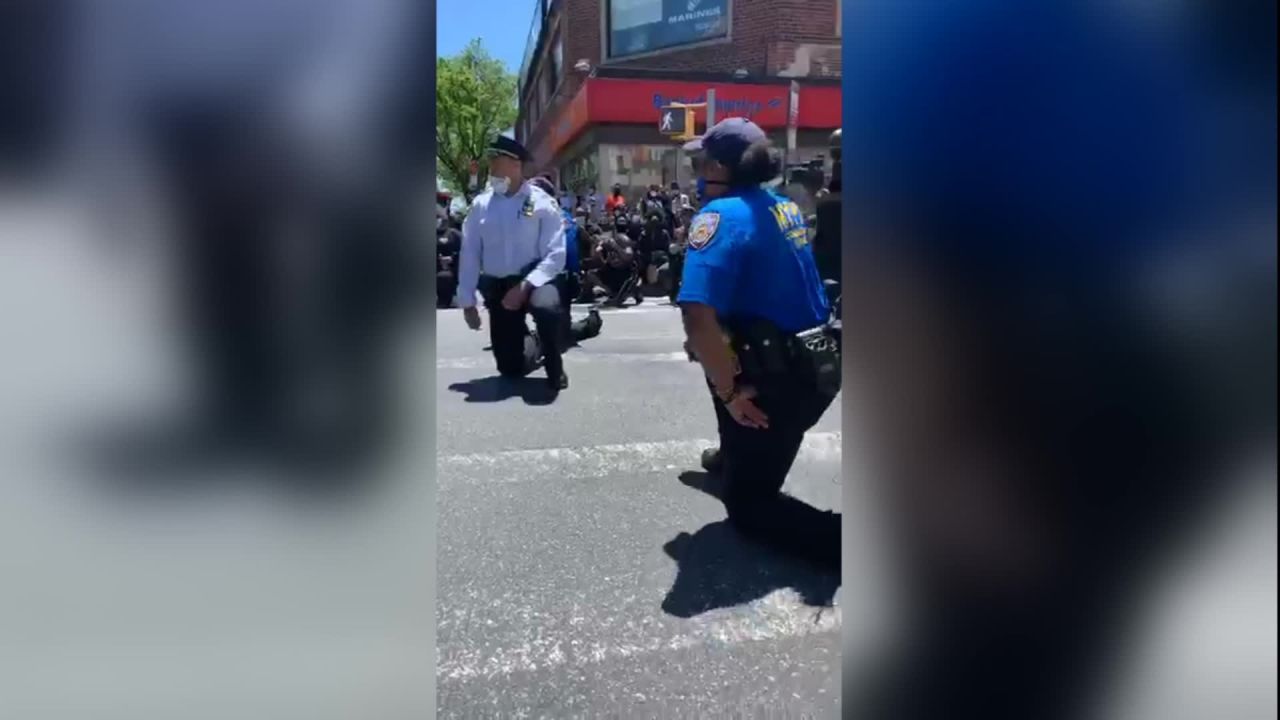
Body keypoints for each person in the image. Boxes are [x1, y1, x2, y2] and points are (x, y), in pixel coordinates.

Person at [677, 117, 841, 570]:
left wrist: (730, 392)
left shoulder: (717, 216)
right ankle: (736, 449)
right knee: (716, 348)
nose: (697, 171)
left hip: (781, 385)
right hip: (815, 364)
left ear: (723, 167)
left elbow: (696, 317)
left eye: (702, 161)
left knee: (749, 507)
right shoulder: (781, 205)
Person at [456, 136, 569, 392]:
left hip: (534, 281)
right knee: (509, 368)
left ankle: (554, 363)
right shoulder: (481, 206)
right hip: (499, 289)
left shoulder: (542, 203)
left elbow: (555, 255)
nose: (492, 167)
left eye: (497, 161)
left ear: (516, 165)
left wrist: (525, 286)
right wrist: (468, 302)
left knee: (546, 301)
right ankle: (533, 344)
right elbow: (470, 253)